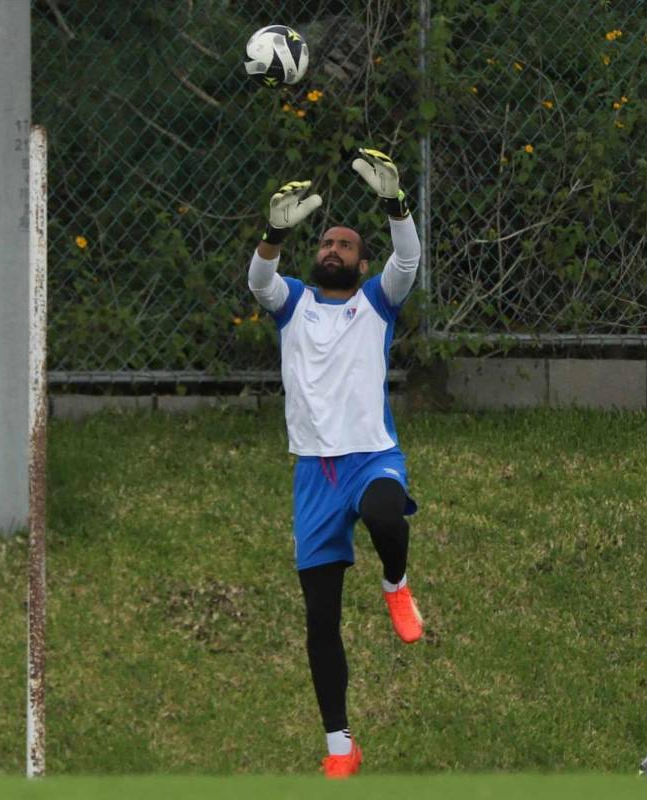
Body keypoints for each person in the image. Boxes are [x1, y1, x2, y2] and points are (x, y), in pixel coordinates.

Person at [247, 148, 423, 779]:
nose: (335, 248)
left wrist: (395, 204)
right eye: (327, 240)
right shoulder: (292, 304)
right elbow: (259, 285)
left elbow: (409, 261)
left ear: (362, 263)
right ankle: (341, 747)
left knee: (384, 513)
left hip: (370, 455)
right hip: (313, 475)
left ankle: (395, 586)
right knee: (320, 619)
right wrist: (272, 235)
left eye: (347, 244)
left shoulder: (378, 301)